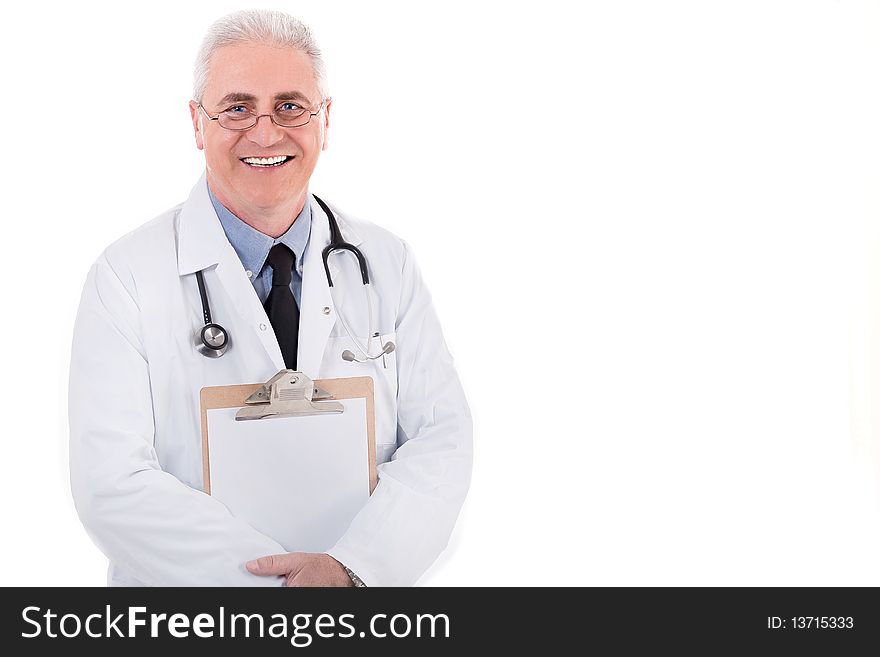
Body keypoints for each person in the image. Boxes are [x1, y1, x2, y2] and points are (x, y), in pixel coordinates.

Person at [68, 9, 472, 587]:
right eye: (237, 107)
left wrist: (351, 569)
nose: (264, 132)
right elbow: (112, 483)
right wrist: (276, 591)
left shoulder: (387, 264)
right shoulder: (127, 276)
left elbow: (442, 437)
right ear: (197, 123)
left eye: (290, 106)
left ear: (325, 121)